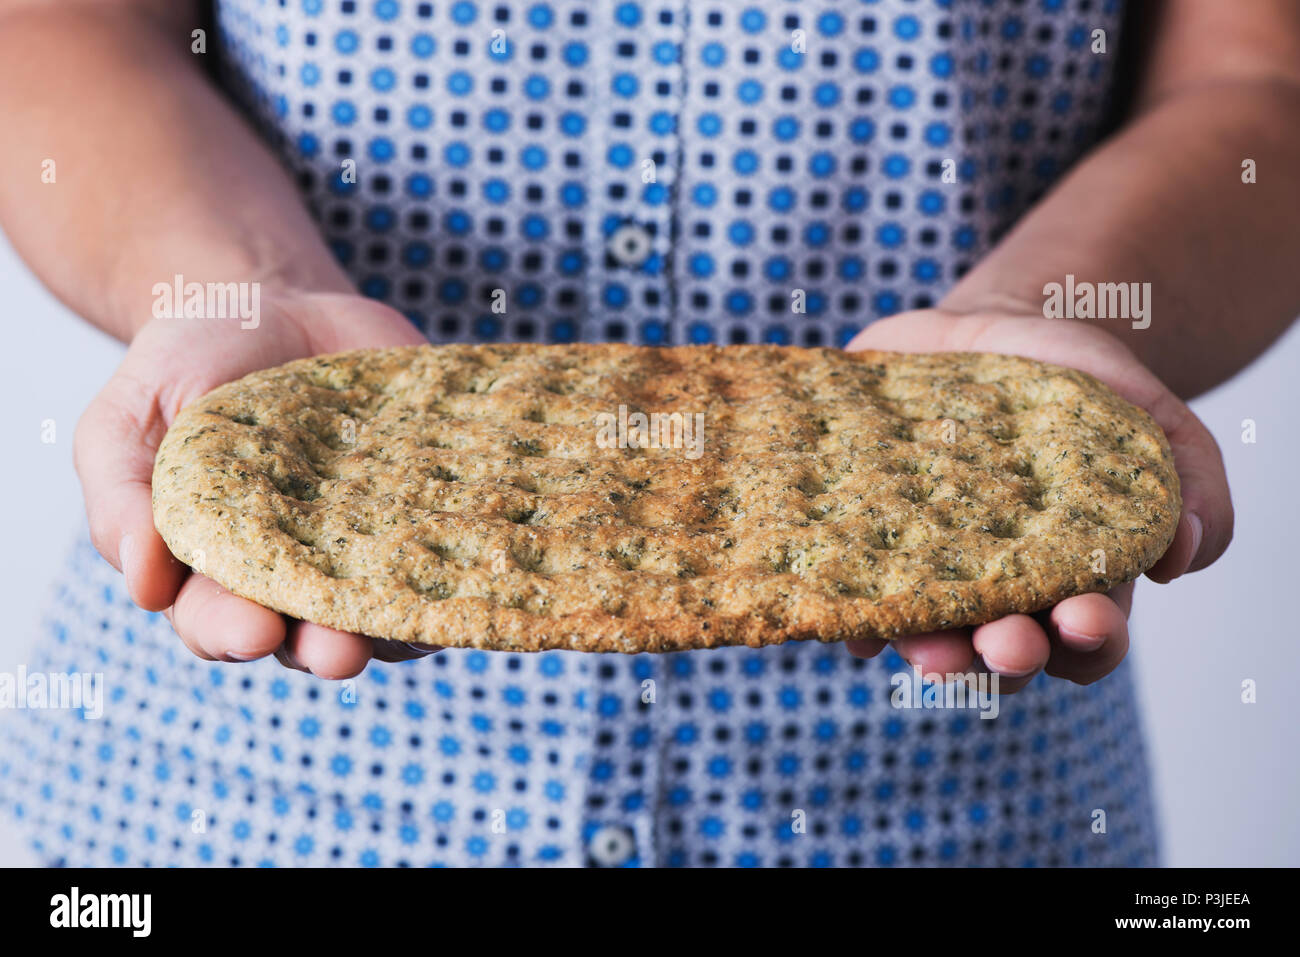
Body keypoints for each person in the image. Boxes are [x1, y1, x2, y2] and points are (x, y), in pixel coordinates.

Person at [0, 0, 1293, 868]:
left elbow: (1258, 83)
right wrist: (241, 284)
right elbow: (61, 32)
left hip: (949, 794)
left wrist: (1029, 327)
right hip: (235, 797)